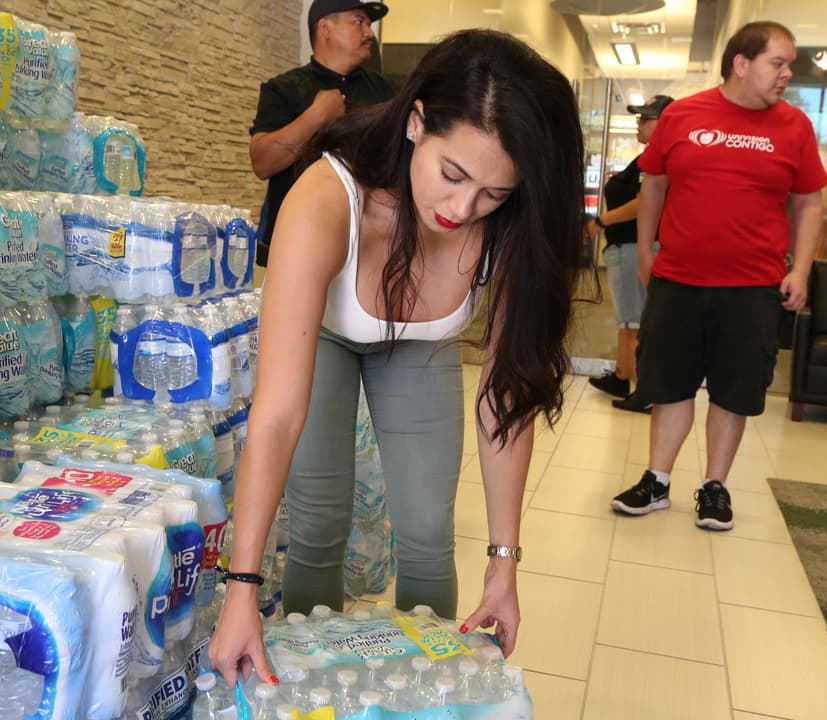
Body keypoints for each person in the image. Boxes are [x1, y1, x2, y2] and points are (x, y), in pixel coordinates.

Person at [209, 29, 584, 688]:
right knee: (323, 518)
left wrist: (505, 562)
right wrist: (242, 587)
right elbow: (275, 417)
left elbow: (507, 393)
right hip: (323, 335)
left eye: (493, 193)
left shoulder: (508, 222)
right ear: (416, 123)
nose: (463, 209)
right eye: (453, 174)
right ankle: (307, 688)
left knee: (427, 528)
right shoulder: (326, 199)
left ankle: (423, 690)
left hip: (422, 343)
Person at [611, 21, 827, 530]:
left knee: (733, 390)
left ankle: (715, 488)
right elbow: (655, 186)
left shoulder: (794, 126)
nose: (787, 75)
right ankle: (656, 481)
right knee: (669, 384)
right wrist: (645, 251)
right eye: (779, 63)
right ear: (741, 62)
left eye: (789, 65)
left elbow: (809, 202)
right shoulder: (684, 115)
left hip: (753, 286)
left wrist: (801, 269)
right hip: (679, 279)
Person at [249, 0, 395, 267]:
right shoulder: (283, 89)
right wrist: (316, 117)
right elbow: (262, 162)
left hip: (368, 252)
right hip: (293, 248)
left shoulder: (388, 94)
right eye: (359, 22)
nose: (370, 33)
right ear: (326, 28)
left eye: (369, 25)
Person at [585, 94, 674, 414]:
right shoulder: (647, 159)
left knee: (635, 321)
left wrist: (600, 221)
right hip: (628, 247)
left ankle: (644, 390)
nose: (639, 123)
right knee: (629, 320)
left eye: (646, 118)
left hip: (636, 247)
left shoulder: (660, 159)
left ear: (665, 123)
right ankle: (623, 376)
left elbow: (644, 204)